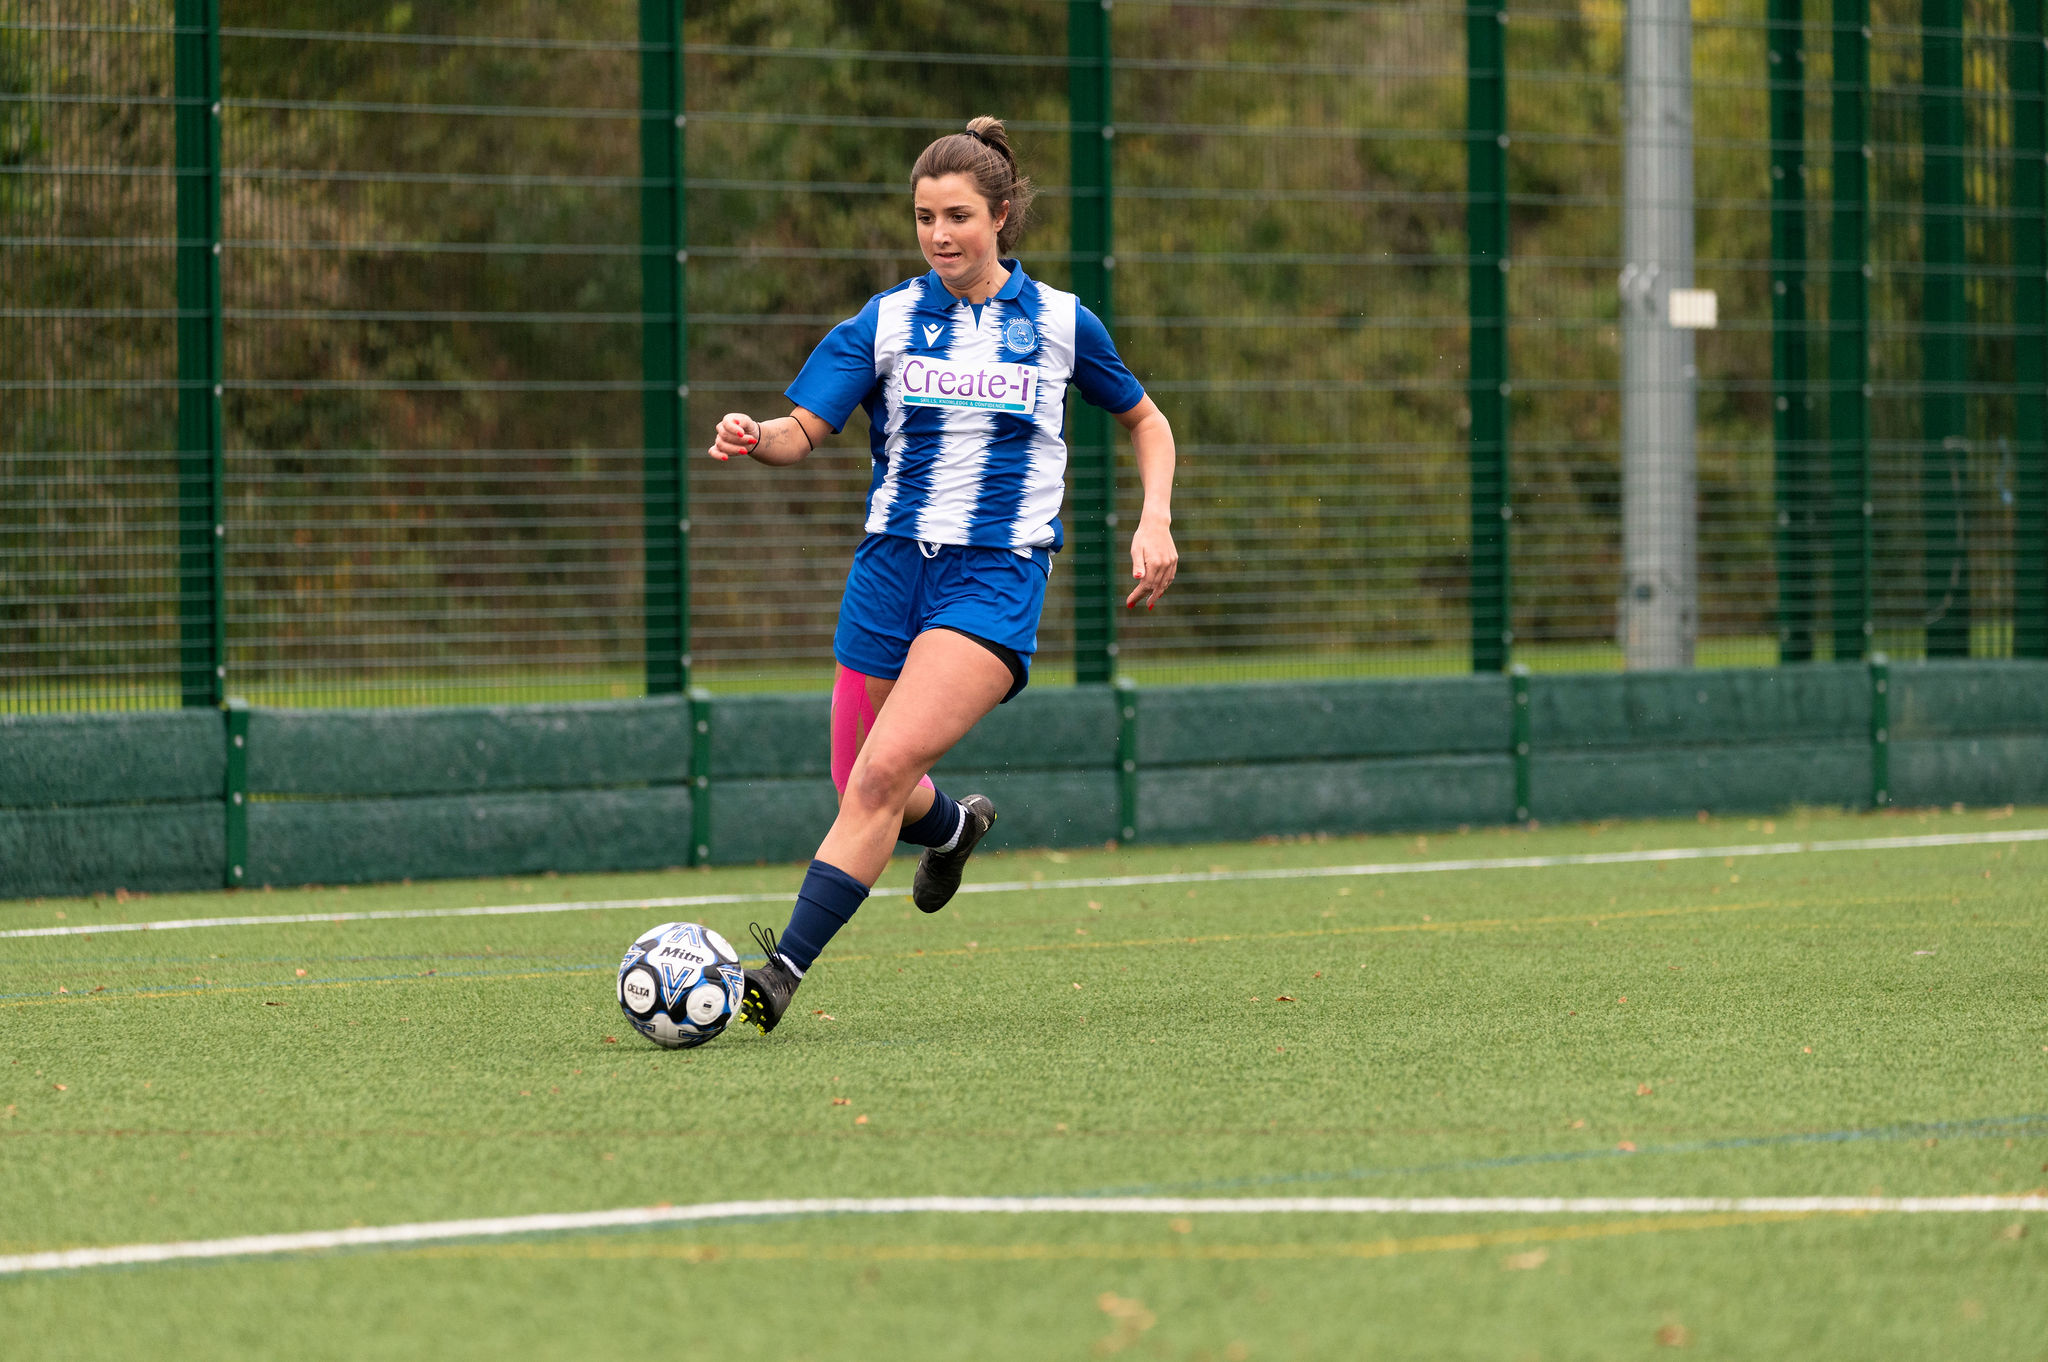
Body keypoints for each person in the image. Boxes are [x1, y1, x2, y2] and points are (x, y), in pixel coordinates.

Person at [706, 116, 1179, 1034]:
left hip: (995, 576)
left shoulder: (1059, 321)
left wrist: (1154, 519)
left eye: (958, 215)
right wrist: (753, 435)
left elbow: (1147, 421)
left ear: (1002, 216)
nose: (940, 235)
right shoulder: (883, 321)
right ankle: (955, 830)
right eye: (925, 217)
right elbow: (803, 432)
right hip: (888, 570)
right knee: (861, 778)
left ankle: (782, 970)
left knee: (883, 769)